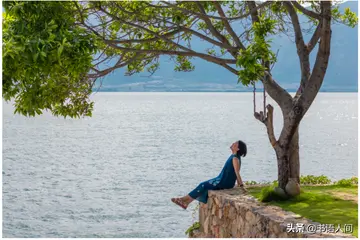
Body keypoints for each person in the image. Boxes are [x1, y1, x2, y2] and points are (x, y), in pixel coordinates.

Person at [171, 140, 247, 210]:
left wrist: (241, 185)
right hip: (221, 179)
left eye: (235, 144)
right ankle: (186, 202)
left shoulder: (235, 158)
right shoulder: (234, 157)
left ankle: (184, 200)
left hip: (224, 182)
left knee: (203, 185)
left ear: (238, 149)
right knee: (204, 186)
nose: (233, 143)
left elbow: (237, 172)